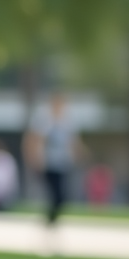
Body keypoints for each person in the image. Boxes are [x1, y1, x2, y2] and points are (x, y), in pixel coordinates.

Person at [24, 94, 83, 226]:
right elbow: (34, 139)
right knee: (54, 192)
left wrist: (78, 154)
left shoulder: (68, 121)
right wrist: (34, 157)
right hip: (48, 163)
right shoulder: (44, 120)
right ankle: (50, 219)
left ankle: (51, 218)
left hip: (63, 163)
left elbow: (73, 141)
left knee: (63, 195)